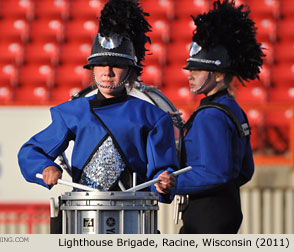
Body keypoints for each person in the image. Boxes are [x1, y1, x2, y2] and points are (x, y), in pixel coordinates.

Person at [17, 0, 178, 202]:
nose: (107, 72)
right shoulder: (72, 113)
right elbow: (30, 151)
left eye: (116, 65)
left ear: (130, 71)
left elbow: (162, 170)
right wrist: (46, 167)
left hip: (133, 212)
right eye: (100, 65)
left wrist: (163, 182)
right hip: (85, 215)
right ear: (93, 69)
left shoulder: (153, 117)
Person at [175, 0, 265, 233]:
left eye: (197, 69)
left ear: (217, 74)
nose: (190, 75)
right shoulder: (234, 108)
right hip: (228, 208)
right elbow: (245, 171)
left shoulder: (210, 116)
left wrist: (174, 183)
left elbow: (215, 173)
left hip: (207, 216)